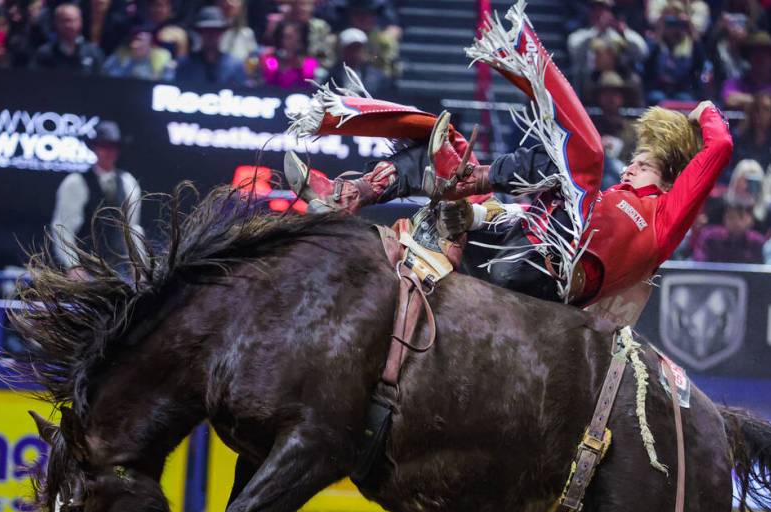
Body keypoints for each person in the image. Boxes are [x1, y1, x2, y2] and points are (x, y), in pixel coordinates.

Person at [285, 2, 732, 308]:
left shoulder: (665, 216)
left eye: (646, 163)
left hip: (547, 274)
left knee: (581, 158)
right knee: (443, 140)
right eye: (636, 159)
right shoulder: (610, 198)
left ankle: (472, 178)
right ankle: (349, 193)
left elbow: (721, 145)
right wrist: (476, 219)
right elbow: (531, 214)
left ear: (671, 178)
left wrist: (703, 111)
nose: (633, 165)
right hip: (517, 249)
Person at [51, 121, 145, 276]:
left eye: (113, 147)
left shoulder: (128, 182)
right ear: (95, 148)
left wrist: (139, 264)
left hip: (119, 270)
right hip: (85, 268)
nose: (108, 152)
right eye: (104, 146)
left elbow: (132, 229)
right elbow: (63, 229)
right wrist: (73, 266)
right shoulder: (76, 182)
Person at [175, 6, 249, 86]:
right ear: (199, 32)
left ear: (222, 33)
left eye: (215, 30)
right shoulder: (184, 64)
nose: (211, 35)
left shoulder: (235, 65)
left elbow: (241, 93)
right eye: (206, 30)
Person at [32, 2, 104, 74]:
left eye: (72, 20)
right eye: (63, 21)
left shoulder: (93, 52)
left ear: (80, 22)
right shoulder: (44, 53)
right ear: (55, 23)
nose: (68, 25)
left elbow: (102, 80)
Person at [327, 27, 393, 96]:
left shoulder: (377, 77)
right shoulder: (331, 76)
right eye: (351, 49)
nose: (355, 53)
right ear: (342, 51)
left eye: (358, 48)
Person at [693, 200, 764, 264]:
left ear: (751, 219)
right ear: (724, 218)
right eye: (731, 217)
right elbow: (700, 266)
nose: (736, 221)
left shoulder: (757, 242)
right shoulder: (710, 237)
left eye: (741, 216)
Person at [102, 23, 174, 80]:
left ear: (150, 44)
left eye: (141, 40)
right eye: (135, 40)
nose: (136, 44)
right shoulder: (121, 54)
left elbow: (167, 80)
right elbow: (106, 76)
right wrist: (129, 64)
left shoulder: (161, 56)